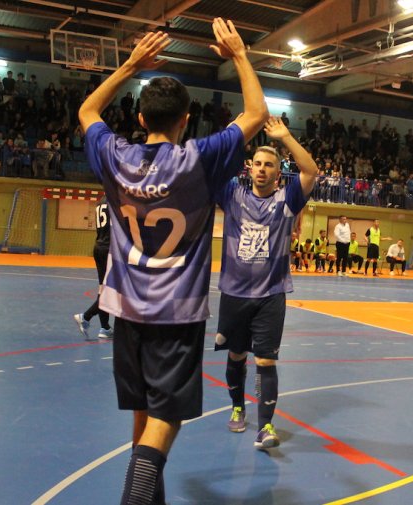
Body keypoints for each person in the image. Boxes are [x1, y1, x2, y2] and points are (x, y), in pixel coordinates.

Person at [78, 21, 268, 505]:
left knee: (143, 418)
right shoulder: (197, 160)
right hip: (176, 313)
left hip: (124, 308)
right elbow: (256, 112)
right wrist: (239, 54)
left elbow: (87, 109)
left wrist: (130, 65)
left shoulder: (114, 156)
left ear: (141, 119)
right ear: (186, 119)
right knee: (166, 421)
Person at [214, 116, 318, 449]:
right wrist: (235, 131)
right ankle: (237, 406)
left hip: (271, 296)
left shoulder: (287, 202)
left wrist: (285, 136)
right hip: (233, 293)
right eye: (257, 163)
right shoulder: (231, 195)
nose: (261, 169)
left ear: (278, 172)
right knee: (235, 356)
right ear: (249, 168)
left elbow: (311, 171)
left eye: (269, 165)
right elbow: (212, 165)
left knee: (266, 360)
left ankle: (266, 426)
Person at [73, 196, 113, 340]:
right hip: (110, 249)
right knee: (112, 291)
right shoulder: (116, 199)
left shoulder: (102, 200)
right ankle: (86, 316)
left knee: (104, 289)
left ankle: (105, 328)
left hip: (99, 246)